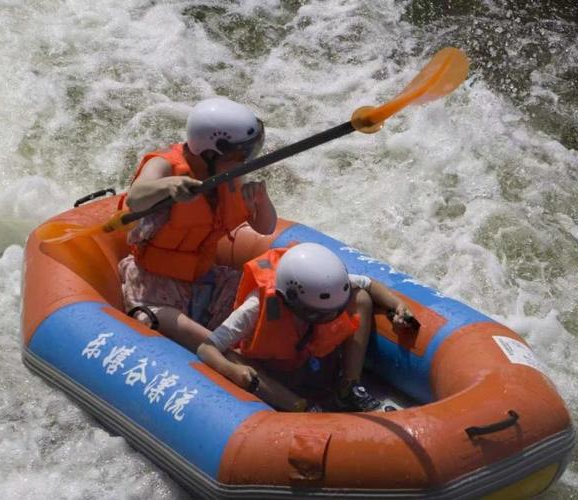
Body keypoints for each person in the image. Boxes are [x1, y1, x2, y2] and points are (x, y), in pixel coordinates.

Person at [119, 97, 277, 351]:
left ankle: (250, 349)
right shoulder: (165, 165)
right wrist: (168, 186)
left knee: (264, 293)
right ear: (210, 152)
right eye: (241, 153)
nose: (246, 159)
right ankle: (226, 357)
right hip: (155, 282)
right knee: (191, 333)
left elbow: (266, 229)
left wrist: (261, 200)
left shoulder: (229, 173)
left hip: (204, 277)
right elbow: (136, 198)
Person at [196, 242, 416, 412]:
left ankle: (349, 387)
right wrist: (233, 371)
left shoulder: (328, 283)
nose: (328, 317)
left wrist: (398, 306)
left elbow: (368, 284)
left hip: (317, 361)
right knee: (232, 357)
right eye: (318, 313)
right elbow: (207, 347)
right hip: (276, 374)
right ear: (290, 299)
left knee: (361, 299)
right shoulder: (257, 306)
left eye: (331, 312)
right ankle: (302, 407)